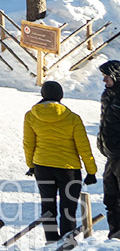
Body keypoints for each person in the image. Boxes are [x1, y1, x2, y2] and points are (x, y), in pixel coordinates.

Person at [23, 80, 98, 241]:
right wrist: (91, 171)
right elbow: (84, 147)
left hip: (42, 167)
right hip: (68, 170)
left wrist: (31, 165)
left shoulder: (30, 116)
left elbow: (29, 144)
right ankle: (67, 242)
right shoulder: (72, 118)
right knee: (68, 208)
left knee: (48, 206)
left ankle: (51, 240)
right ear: (61, 96)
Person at [99, 62, 120, 239]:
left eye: (107, 76)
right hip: (111, 154)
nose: (104, 79)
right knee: (110, 197)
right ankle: (114, 234)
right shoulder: (107, 95)